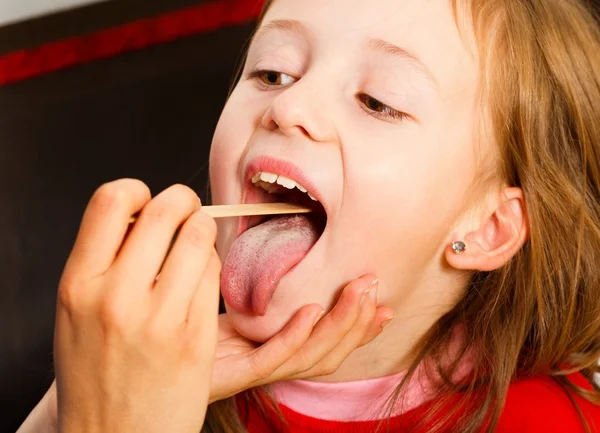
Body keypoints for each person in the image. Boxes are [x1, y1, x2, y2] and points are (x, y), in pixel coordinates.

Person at [19, 0, 600, 431]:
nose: (287, 107)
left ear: (486, 228)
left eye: (378, 102)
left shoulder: (550, 422)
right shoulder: (140, 377)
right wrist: (75, 406)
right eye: (272, 73)